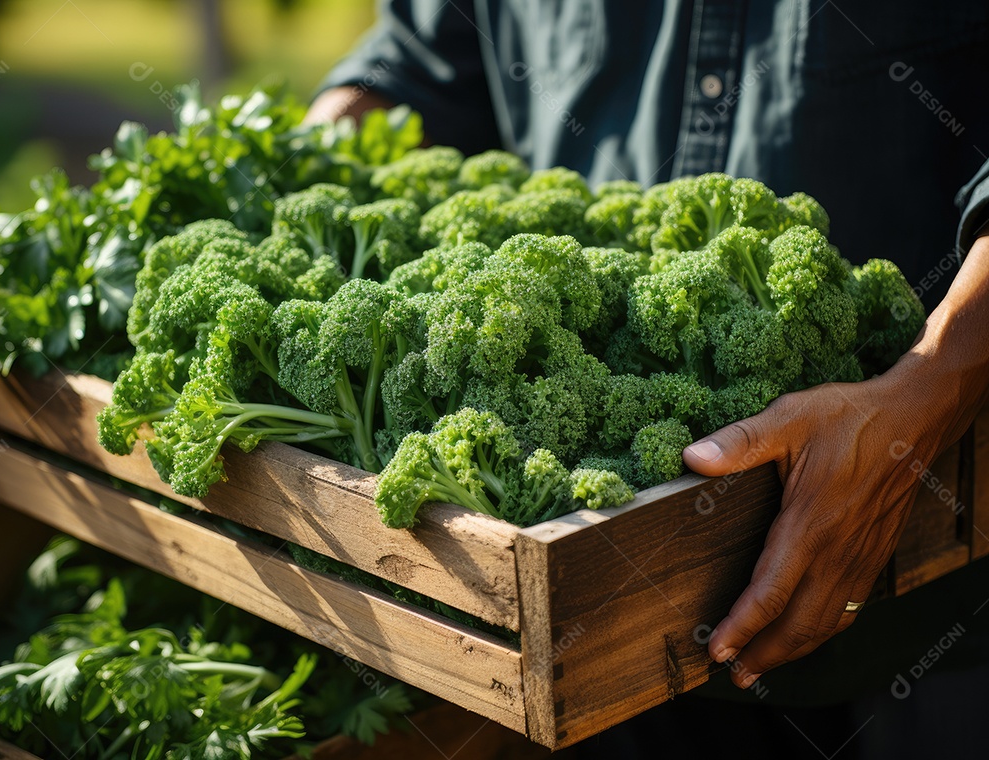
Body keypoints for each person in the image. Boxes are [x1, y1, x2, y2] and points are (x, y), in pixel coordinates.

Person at [307, 0, 989, 754]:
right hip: (598, 617)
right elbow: (427, 61)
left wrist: (931, 385)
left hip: (924, 603)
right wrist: (294, 169)